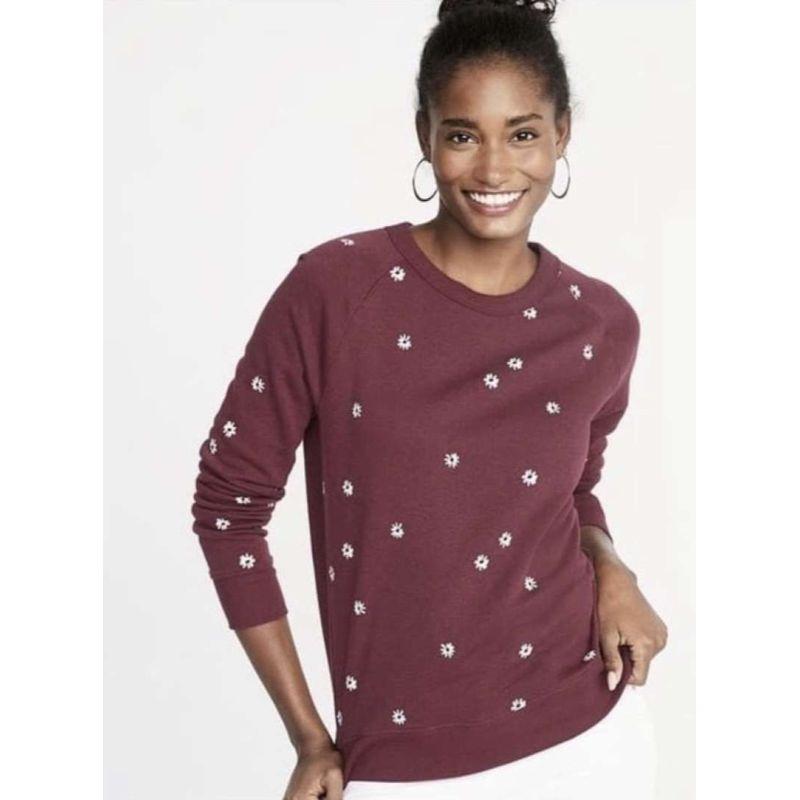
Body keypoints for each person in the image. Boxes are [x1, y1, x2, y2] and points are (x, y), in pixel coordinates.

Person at [190, 0, 669, 797]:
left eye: (523, 134)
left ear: (562, 135)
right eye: (463, 135)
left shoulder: (600, 324)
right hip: (402, 768)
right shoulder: (336, 292)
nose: (494, 170)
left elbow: (573, 489)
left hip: (591, 744)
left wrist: (612, 566)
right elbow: (227, 508)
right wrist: (311, 740)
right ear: (425, 135)